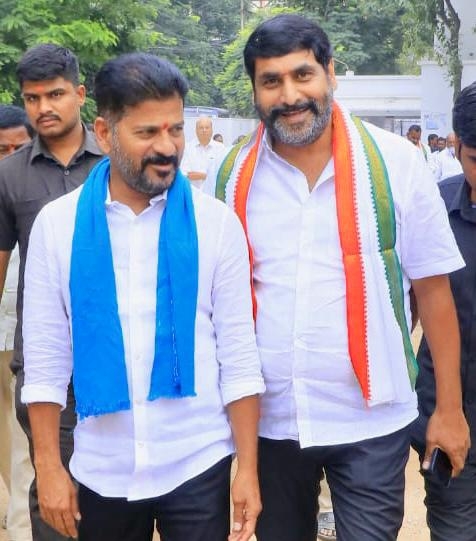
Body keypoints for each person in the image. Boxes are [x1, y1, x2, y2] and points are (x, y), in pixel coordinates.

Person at [204, 14, 470, 541]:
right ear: (255, 90)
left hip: (372, 422)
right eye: (271, 81)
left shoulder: (396, 163)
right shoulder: (230, 176)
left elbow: (434, 292)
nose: (289, 95)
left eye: (302, 74)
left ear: (330, 73)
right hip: (271, 423)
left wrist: (449, 409)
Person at [21, 52, 264, 541]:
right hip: (101, 469)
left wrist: (248, 469)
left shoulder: (215, 225)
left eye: (175, 129)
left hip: (197, 462)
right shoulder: (58, 225)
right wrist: (48, 467)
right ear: (105, 133)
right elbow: (46, 361)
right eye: (147, 132)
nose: (167, 147)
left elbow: (238, 355)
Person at [0, 43, 103, 541]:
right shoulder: (9, 174)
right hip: (46, 368)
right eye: (33, 98)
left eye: (55, 94)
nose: (44, 107)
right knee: (54, 497)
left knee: (113, 502)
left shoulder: (116, 161)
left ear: (80, 94)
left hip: (116, 357)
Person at [412, 81, 476, 540]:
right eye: (475, 159)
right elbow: (406, 309)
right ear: (456, 147)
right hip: (451, 431)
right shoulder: (434, 209)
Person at [0, 105, 35, 541]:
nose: (9, 158)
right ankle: (15, 505)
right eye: (1, 149)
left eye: (18, 149)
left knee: (25, 434)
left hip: (25, 336)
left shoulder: (41, 194)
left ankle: (25, 523)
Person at [180, 116, 227, 188]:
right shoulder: (187, 148)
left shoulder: (220, 148)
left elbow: (222, 174)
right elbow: (185, 174)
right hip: (193, 193)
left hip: (213, 193)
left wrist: (199, 175)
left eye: (207, 127)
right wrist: (207, 176)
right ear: (196, 130)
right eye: (201, 128)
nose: (204, 130)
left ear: (212, 130)